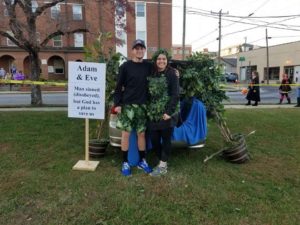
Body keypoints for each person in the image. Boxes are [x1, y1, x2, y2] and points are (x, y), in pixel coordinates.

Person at [114, 39, 153, 176]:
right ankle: (125, 162)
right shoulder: (125, 66)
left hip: (142, 106)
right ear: (132, 51)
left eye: (142, 48)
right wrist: (117, 104)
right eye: (137, 48)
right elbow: (118, 87)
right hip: (127, 106)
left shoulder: (148, 66)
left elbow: (163, 67)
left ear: (144, 50)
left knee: (141, 134)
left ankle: (143, 161)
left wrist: (174, 71)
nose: (139, 50)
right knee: (125, 134)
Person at [147, 49, 179, 176]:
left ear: (167, 61)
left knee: (166, 139)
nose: (161, 61)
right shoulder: (152, 73)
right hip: (153, 112)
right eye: (159, 59)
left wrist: (168, 112)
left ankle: (163, 165)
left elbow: (175, 94)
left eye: (164, 59)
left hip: (167, 113)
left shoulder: (172, 74)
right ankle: (162, 160)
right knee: (154, 139)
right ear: (155, 61)